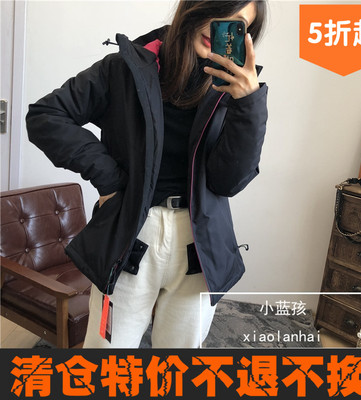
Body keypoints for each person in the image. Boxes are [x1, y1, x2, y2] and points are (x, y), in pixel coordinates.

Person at [26, 0, 268, 348]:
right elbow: (46, 116)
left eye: (237, 22)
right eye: (218, 7)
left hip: (199, 246)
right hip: (129, 237)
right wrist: (109, 179)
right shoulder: (125, 68)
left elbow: (227, 182)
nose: (220, 25)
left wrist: (248, 104)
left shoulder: (238, 93)